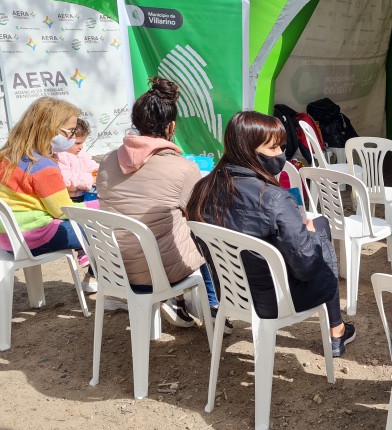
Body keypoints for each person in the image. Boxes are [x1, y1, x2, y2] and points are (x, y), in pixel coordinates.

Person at [186, 111, 356, 357]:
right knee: (319, 229)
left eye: (281, 147)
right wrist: (309, 235)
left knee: (312, 229)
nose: (280, 155)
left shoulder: (203, 189)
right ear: (247, 150)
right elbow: (307, 267)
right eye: (273, 147)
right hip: (275, 299)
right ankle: (336, 329)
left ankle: (336, 328)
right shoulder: (274, 198)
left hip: (231, 292)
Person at [96, 77, 227, 331]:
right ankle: (212, 307)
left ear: (136, 123)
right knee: (202, 235)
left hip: (114, 267)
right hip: (159, 273)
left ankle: (179, 302)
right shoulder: (183, 168)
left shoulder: (108, 161)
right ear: (172, 126)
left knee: (169, 223)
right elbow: (200, 217)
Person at [0, 97, 94, 285]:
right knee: (105, 229)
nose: (73, 137)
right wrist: (102, 205)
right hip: (34, 237)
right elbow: (64, 210)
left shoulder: (7, 156)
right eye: (70, 131)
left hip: (7, 238)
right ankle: (100, 281)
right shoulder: (43, 166)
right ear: (49, 129)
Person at [56, 117, 99, 203]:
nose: (81, 147)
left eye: (82, 143)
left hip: (82, 195)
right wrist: (90, 180)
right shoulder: (60, 156)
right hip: (68, 197)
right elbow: (66, 181)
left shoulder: (81, 154)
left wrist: (99, 170)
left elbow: (90, 164)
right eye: (77, 143)